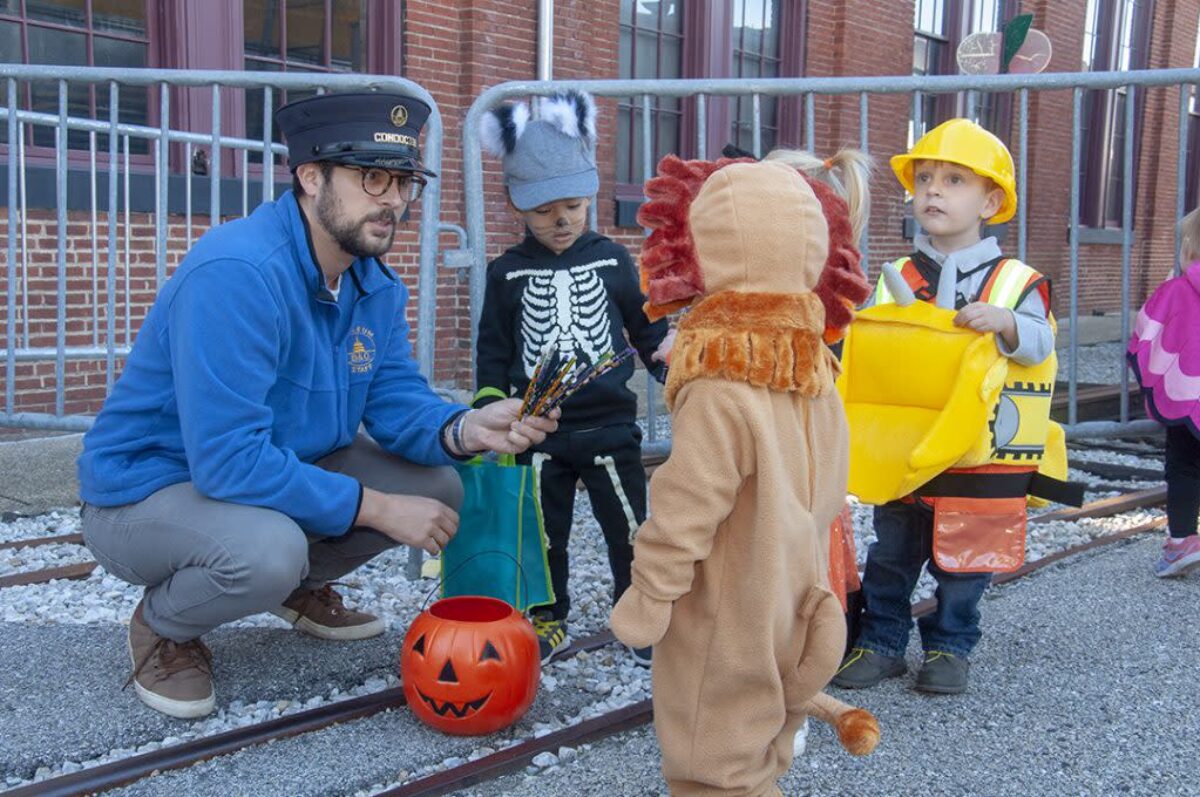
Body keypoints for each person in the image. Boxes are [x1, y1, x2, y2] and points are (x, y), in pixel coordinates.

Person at [76, 91, 557, 720]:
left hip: (261, 475)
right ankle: (164, 626)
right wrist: (378, 507)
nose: (394, 200)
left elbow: (396, 400)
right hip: (148, 491)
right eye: (373, 178)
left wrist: (468, 426)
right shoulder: (238, 272)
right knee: (267, 551)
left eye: (404, 181)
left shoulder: (372, 282)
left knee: (439, 487)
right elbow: (226, 461)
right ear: (309, 177)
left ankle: (295, 587)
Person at [611, 156, 855, 796]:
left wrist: (649, 596)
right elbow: (831, 487)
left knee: (711, 765)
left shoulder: (720, 384)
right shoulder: (817, 370)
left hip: (725, 608)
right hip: (793, 592)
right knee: (766, 746)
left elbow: (688, 506)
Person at [833, 118, 1055, 695]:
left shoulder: (1016, 281)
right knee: (892, 555)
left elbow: (1041, 342)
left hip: (977, 458)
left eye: (954, 179)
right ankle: (880, 643)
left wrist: (1007, 322)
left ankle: (950, 648)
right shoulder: (895, 277)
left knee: (965, 561)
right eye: (925, 176)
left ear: (990, 199)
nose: (933, 189)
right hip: (905, 450)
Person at [475, 90, 670, 667]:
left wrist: (672, 363)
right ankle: (546, 617)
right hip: (538, 436)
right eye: (543, 210)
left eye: (572, 207)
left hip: (610, 427)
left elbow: (645, 328)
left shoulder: (612, 259)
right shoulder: (506, 273)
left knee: (631, 532)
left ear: (588, 199)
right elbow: (493, 350)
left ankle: (639, 620)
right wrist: (493, 410)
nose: (560, 221)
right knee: (542, 535)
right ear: (517, 206)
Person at [1128, 206, 1200, 577]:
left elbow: (1147, 329)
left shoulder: (1178, 289)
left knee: (1184, 466)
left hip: (1188, 398)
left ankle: (1182, 542)